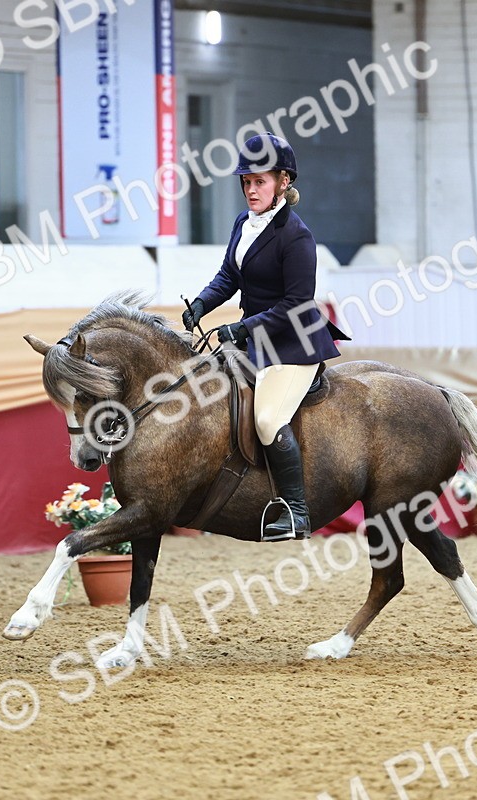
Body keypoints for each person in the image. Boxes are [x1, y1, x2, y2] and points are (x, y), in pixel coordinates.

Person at [182, 133, 349, 541]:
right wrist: (203, 303)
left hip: (293, 344)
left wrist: (240, 327)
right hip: (256, 339)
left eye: (260, 182)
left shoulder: (296, 235)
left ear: (283, 182)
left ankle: (295, 512)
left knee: (268, 419)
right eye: (246, 182)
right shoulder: (244, 222)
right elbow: (229, 276)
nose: (251, 190)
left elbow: (295, 303)